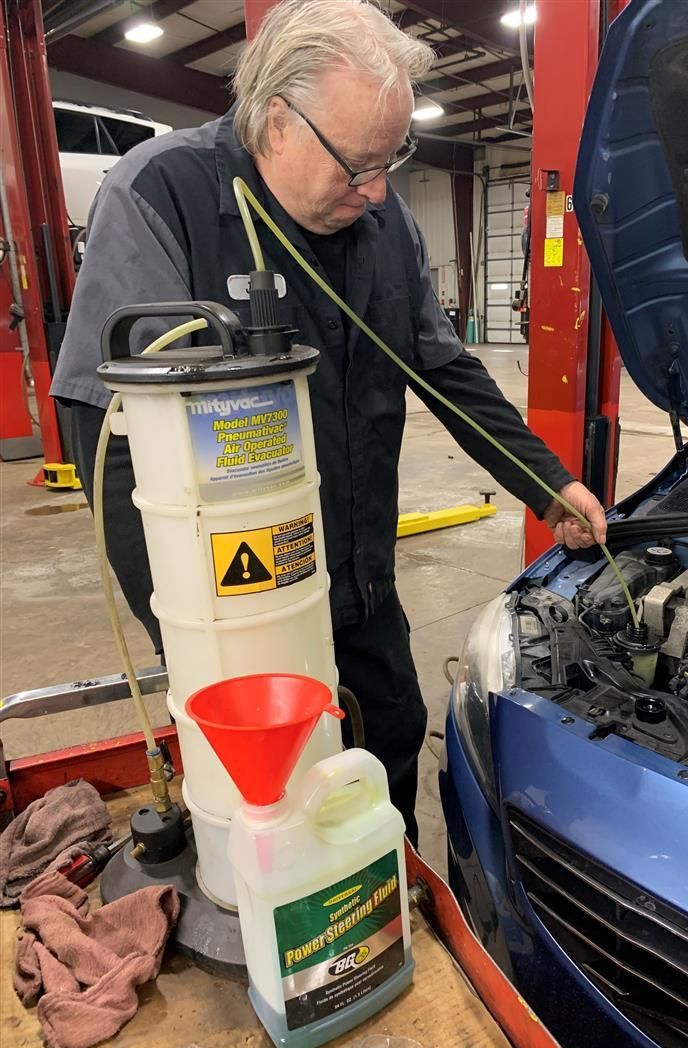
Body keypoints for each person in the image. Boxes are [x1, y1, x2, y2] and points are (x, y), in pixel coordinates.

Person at [51, 0, 607, 843]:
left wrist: (547, 482)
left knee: (384, 744)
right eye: (358, 165)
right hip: (244, 604)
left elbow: (442, 367)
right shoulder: (162, 194)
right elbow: (108, 433)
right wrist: (192, 631)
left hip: (361, 574)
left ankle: (397, 904)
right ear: (277, 120)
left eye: (393, 160)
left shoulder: (379, 224)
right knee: (271, 806)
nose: (379, 192)